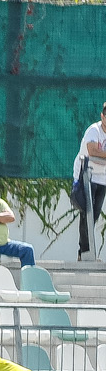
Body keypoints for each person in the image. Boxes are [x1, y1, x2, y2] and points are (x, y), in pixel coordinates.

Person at [77, 102, 106, 257]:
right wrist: (99, 152)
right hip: (86, 176)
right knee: (86, 214)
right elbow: (92, 150)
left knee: (94, 216)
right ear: (102, 116)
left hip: (102, 178)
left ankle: (85, 253)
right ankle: (84, 252)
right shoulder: (94, 130)